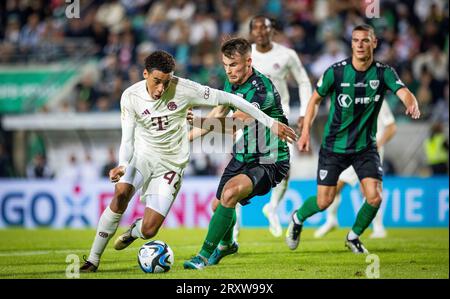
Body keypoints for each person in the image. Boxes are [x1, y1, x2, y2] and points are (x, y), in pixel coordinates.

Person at [80, 50, 296, 272]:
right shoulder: (130, 96)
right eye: (157, 81)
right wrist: (123, 164)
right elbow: (127, 139)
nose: (162, 88)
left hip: (172, 165)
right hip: (142, 155)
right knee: (121, 192)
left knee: (150, 230)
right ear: (145, 74)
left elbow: (230, 103)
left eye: (166, 82)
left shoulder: (185, 88)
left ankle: (136, 231)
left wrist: (270, 122)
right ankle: (93, 260)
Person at [286, 24, 420, 254]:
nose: (360, 45)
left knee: (374, 197)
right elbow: (315, 100)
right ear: (351, 44)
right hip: (334, 146)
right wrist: (306, 129)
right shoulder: (336, 72)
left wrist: (411, 101)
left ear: (374, 43)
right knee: (324, 201)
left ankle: (353, 236)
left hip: (365, 147)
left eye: (365, 40)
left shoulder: (383, 72)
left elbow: (403, 91)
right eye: (356, 40)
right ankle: (297, 218)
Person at [184, 37, 293, 270]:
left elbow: (236, 124)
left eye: (233, 65)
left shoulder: (262, 90)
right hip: (243, 155)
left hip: (269, 158)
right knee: (218, 207)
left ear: (248, 62)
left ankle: (202, 256)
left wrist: (201, 120)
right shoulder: (230, 83)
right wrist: (186, 139)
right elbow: (220, 110)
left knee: (230, 193)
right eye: (225, 64)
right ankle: (227, 245)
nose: (229, 70)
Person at [229, 15, 312, 239]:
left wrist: (304, 112)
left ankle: (272, 207)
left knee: (285, 169)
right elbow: (233, 88)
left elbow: (303, 82)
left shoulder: (286, 55)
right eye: (255, 28)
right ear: (251, 32)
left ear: (271, 30)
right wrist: (232, 120)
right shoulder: (246, 56)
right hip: (248, 120)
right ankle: (233, 231)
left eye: (264, 28)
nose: (260, 32)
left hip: (277, 120)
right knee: (237, 173)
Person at [314, 101, 397, 239]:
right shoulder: (352, 95)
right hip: (353, 149)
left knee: (369, 190)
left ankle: (378, 227)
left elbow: (391, 127)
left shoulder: (378, 99)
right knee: (335, 186)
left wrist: (377, 145)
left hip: (369, 151)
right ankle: (331, 220)